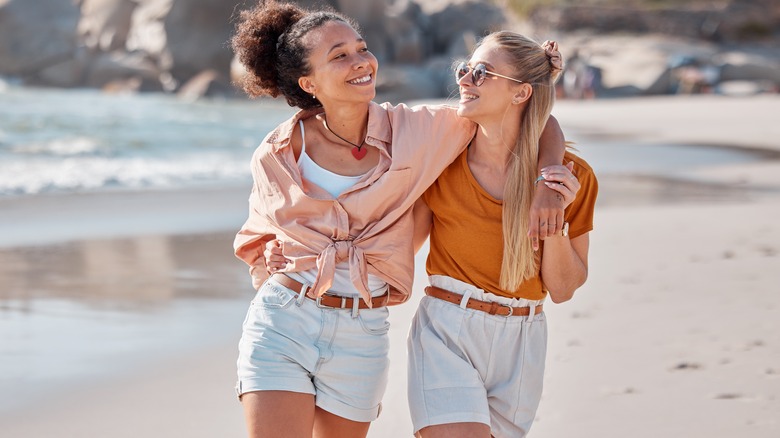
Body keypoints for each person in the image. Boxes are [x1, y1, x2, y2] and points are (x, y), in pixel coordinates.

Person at [231, 2, 567, 437]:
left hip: (362, 330)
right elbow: (257, 240)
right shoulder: (276, 153)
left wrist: (547, 180)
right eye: (339, 56)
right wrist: (268, 260)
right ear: (309, 82)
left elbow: (534, 119)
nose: (360, 62)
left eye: (361, 48)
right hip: (284, 319)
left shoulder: (419, 131)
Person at [407, 32, 598, 438]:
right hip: (446, 331)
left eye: (481, 72)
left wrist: (555, 218)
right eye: (464, 69)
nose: (464, 80)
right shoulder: (441, 161)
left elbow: (562, 289)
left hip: (524, 340)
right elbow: (400, 246)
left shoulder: (571, 177)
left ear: (520, 93)